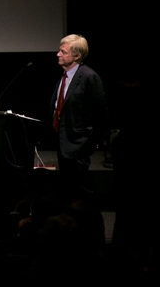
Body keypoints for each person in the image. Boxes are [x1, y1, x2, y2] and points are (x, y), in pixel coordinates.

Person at [51, 34, 107, 199]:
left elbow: (101, 112)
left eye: (63, 52)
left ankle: (88, 220)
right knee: (67, 187)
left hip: (79, 142)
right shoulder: (64, 76)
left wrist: (93, 141)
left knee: (83, 188)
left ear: (77, 56)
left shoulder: (89, 77)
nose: (58, 54)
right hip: (63, 140)